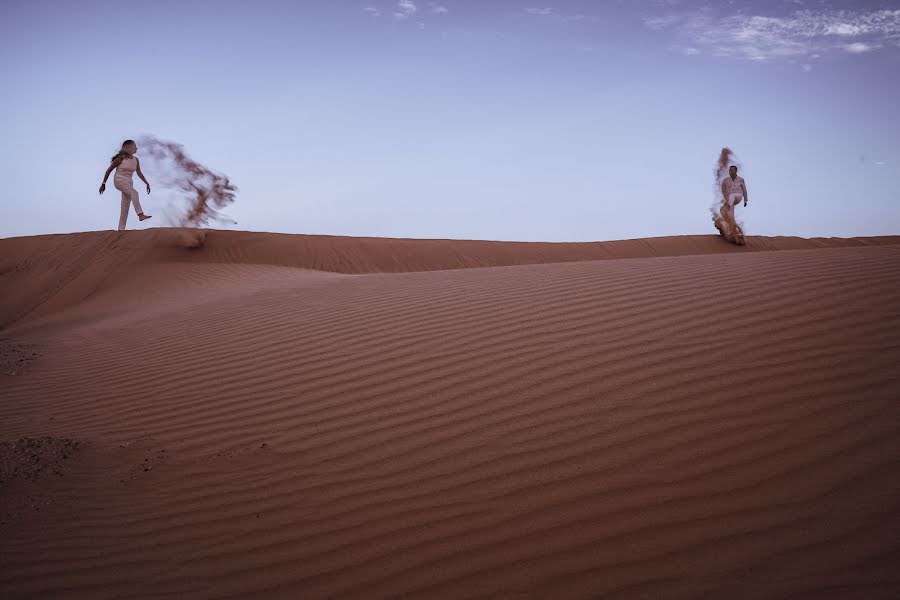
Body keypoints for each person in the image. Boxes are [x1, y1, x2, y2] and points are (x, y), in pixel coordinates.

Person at [99, 139, 152, 231]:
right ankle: (140, 215)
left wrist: (146, 183)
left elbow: (139, 173)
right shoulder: (120, 159)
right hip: (119, 180)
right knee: (134, 193)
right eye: (134, 146)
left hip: (128, 182)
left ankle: (121, 229)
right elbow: (109, 170)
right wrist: (103, 184)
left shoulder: (136, 160)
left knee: (125, 206)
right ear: (128, 148)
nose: (136, 148)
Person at [720, 164, 748, 240]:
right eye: (729, 170)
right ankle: (733, 232)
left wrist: (745, 200)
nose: (730, 171)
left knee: (732, 196)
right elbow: (723, 190)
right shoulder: (725, 180)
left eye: (732, 170)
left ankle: (727, 206)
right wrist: (725, 198)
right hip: (730, 200)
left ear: (735, 171)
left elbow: (744, 190)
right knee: (731, 215)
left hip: (738, 196)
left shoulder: (741, 179)